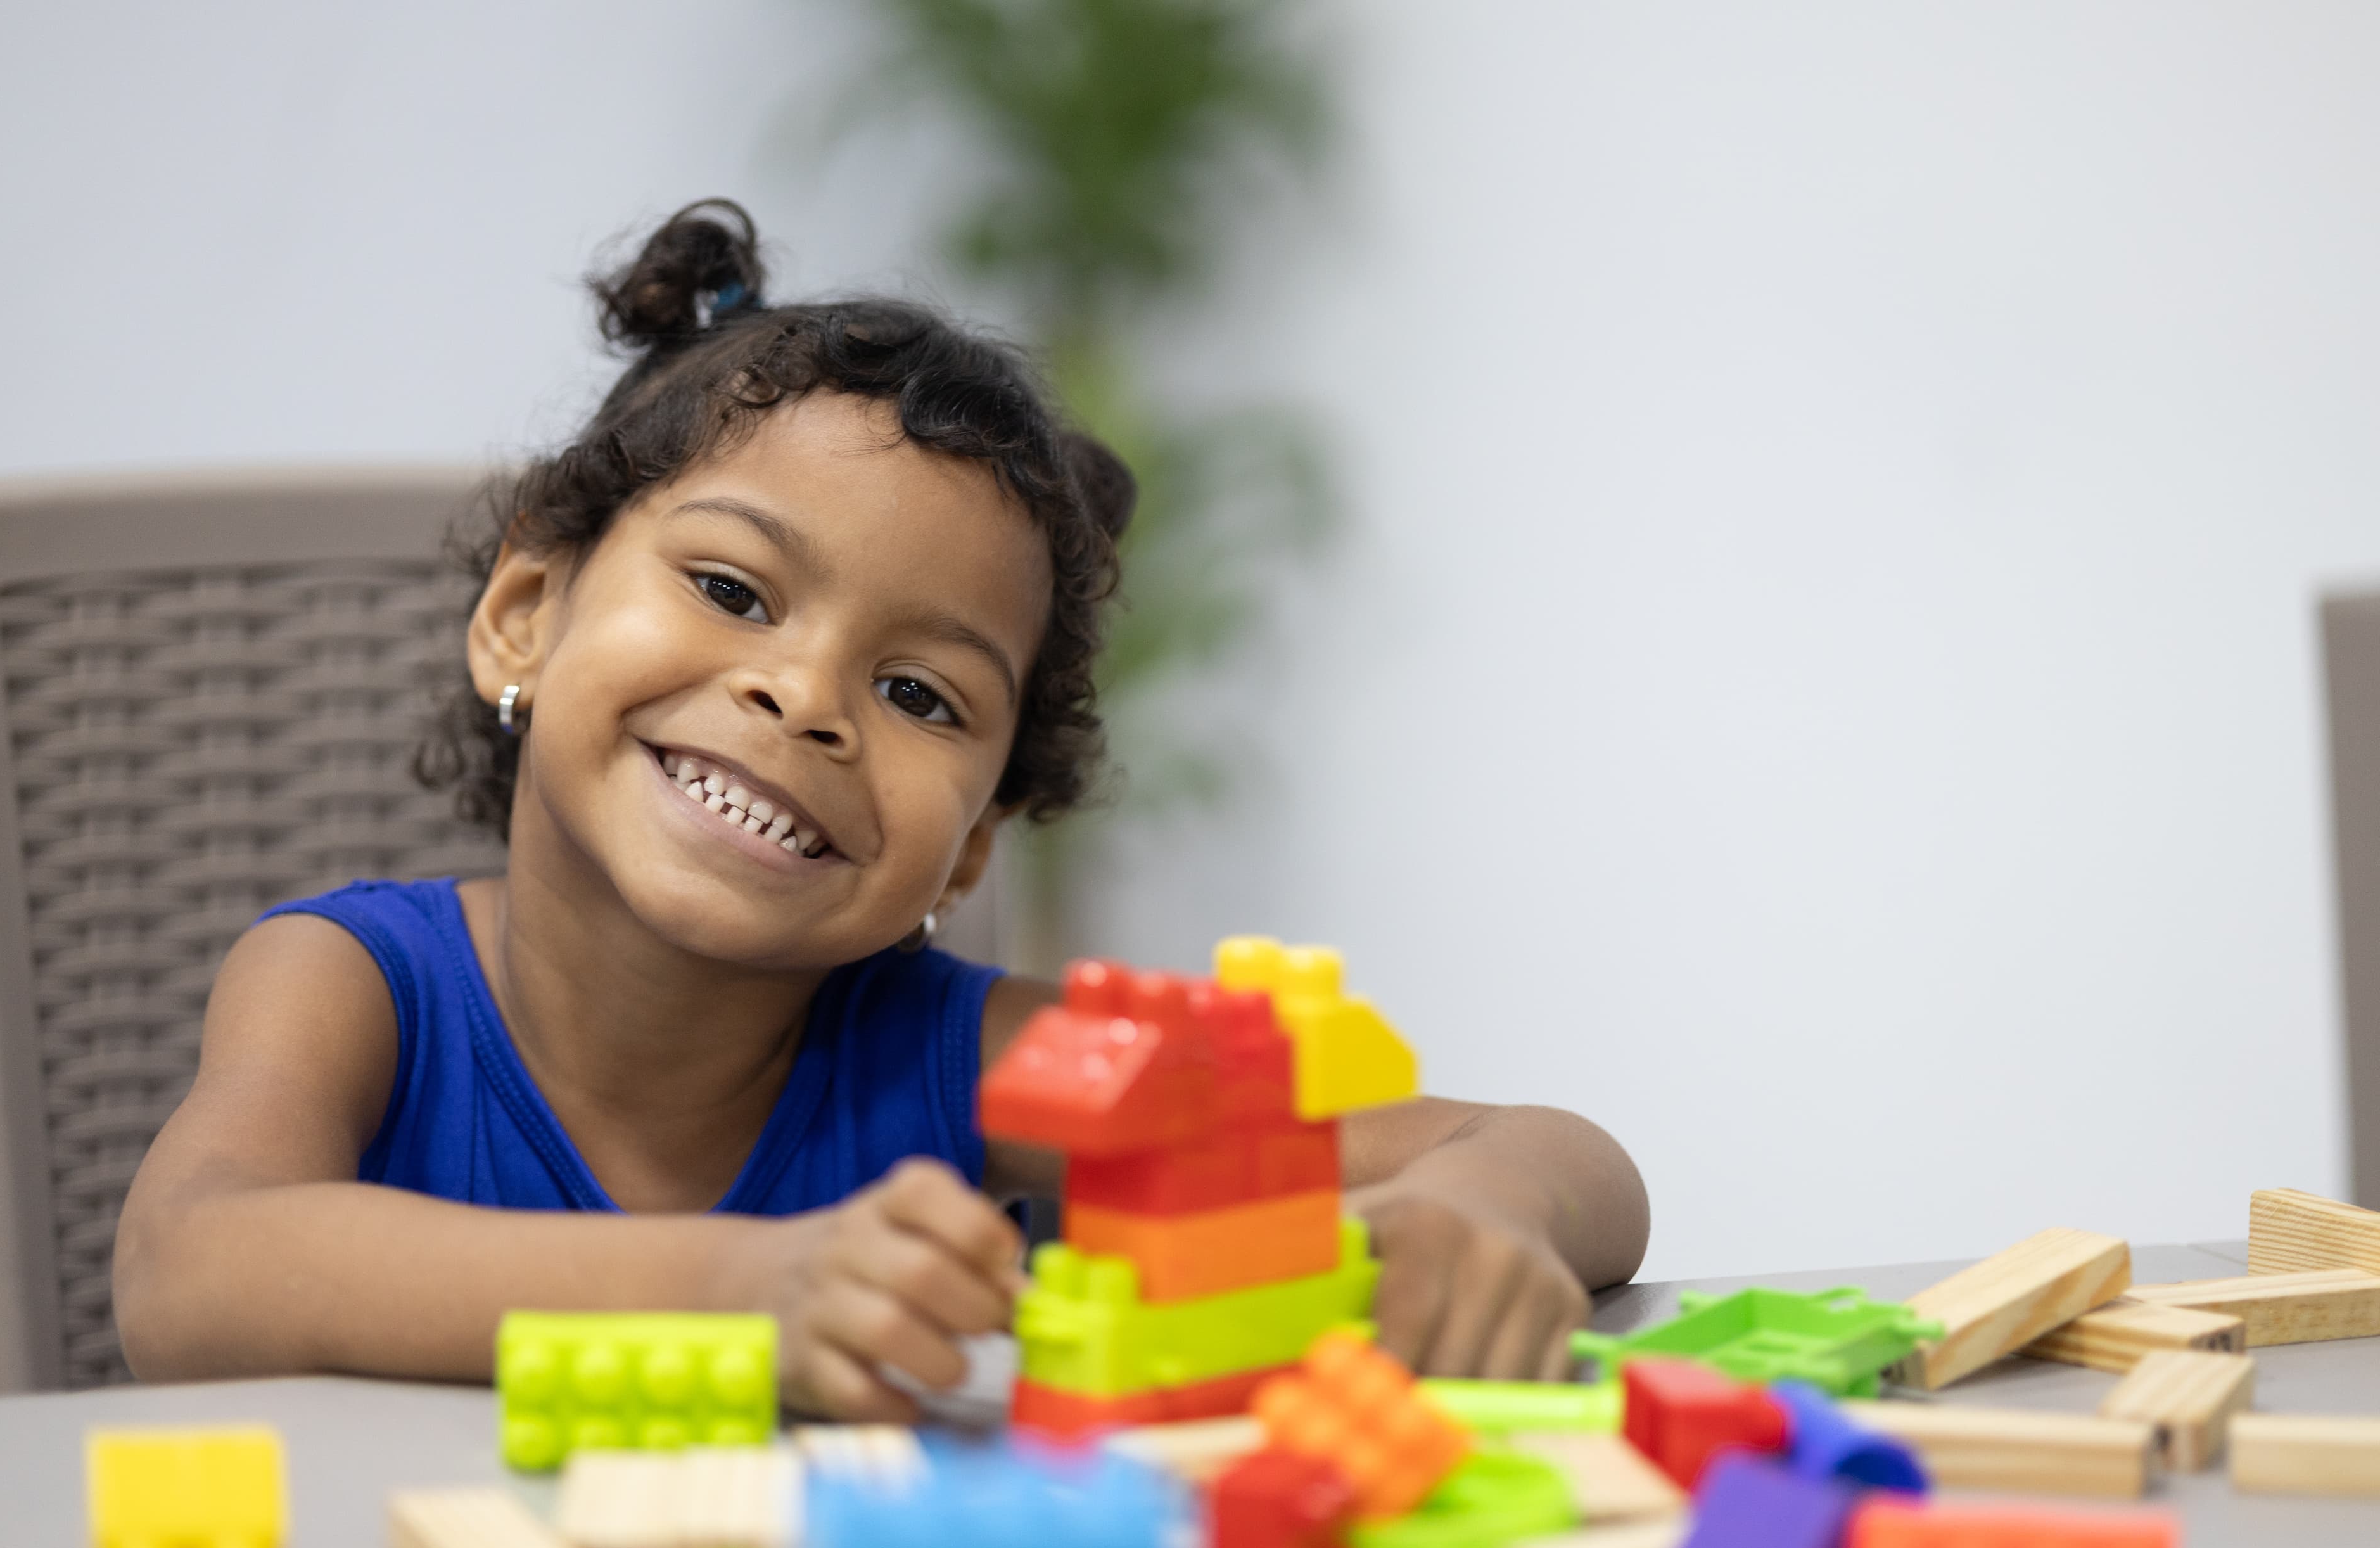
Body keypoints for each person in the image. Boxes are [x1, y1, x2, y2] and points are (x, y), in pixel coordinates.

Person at [113, 200, 1649, 1419]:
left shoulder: (970, 1056)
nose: (809, 697)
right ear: (523, 611)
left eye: (924, 695)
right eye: (730, 589)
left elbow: (1556, 1150)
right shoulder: (354, 988)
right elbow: (191, 1270)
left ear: (970, 845)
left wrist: (1486, 1209)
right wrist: (738, 1292)